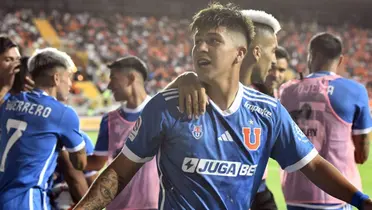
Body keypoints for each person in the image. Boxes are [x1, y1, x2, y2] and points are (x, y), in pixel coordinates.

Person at [74, 3, 372, 210]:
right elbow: (119, 173)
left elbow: (313, 165)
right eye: (197, 41)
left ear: (239, 53)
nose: (200, 48)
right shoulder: (166, 107)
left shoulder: (268, 111)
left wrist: (361, 201)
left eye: (213, 41)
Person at [166, 9, 281, 210]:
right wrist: (182, 80)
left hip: (257, 193)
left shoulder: (267, 100)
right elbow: (147, 125)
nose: (274, 61)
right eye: (272, 51)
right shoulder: (195, 91)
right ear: (252, 51)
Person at [279, 32, 372, 210]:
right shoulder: (355, 90)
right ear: (340, 59)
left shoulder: (286, 90)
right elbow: (362, 154)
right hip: (339, 192)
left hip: (295, 191)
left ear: (310, 55)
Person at [0, 47, 87, 209]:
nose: (70, 83)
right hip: (27, 198)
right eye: (68, 77)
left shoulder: (9, 103)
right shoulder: (63, 113)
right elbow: (80, 164)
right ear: (56, 78)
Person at [85, 56, 158, 210]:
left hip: (155, 206)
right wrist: (65, 156)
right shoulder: (109, 120)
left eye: (113, 79)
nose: (109, 86)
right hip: (118, 206)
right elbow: (97, 162)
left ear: (131, 78)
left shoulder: (162, 113)